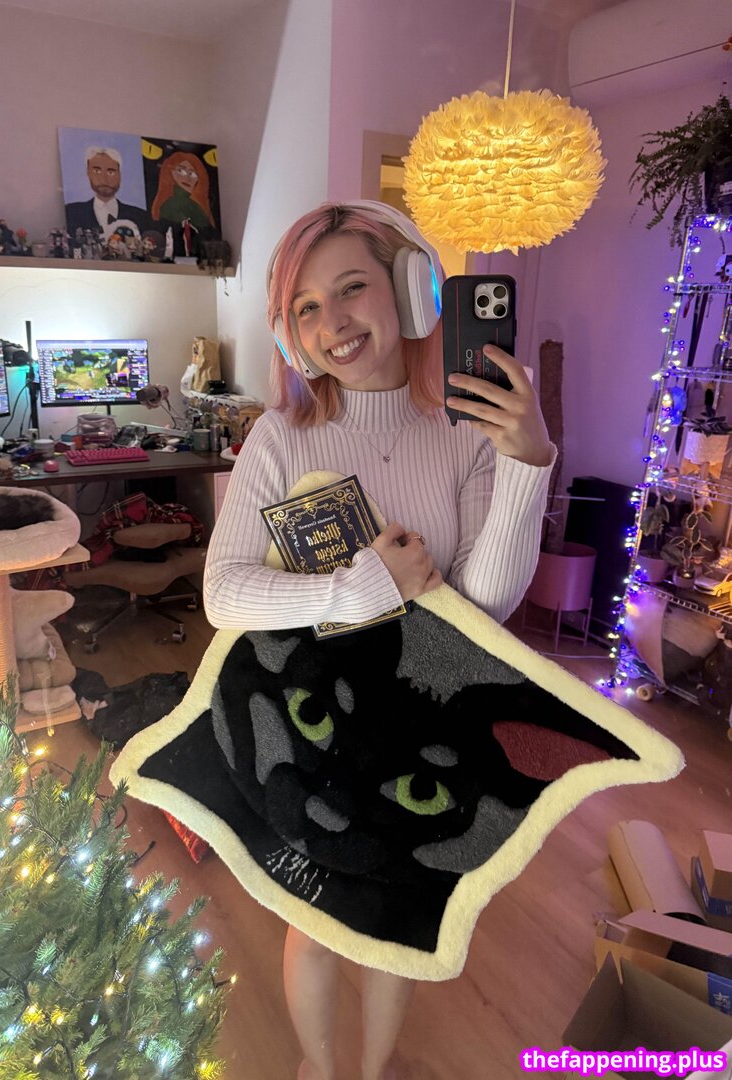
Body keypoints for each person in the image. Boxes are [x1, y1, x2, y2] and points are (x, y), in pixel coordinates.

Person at [202, 201, 555, 1080]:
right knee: (317, 921)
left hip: (417, 734)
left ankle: (372, 1072)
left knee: (393, 920)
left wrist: (527, 464)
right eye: (306, 308)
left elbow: (485, 603)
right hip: (316, 727)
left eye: (352, 288)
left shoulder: (465, 434)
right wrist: (364, 586)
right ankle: (321, 1073)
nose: (333, 323)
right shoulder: (280, 438)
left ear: (408, 287)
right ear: (289, 333)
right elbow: (222, 592)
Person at [65, 147, 149, 237]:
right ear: (88, 173)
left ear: (119, 175)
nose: (104, 179)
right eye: (97, 171)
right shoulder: (70, 213)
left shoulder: (140, 216)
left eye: (111, 172)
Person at [150, 150, 216, 235]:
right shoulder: (170, 204)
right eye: (180, 171)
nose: (187, 178)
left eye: (192, 174)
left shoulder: (197, 206)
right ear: (170, 173)